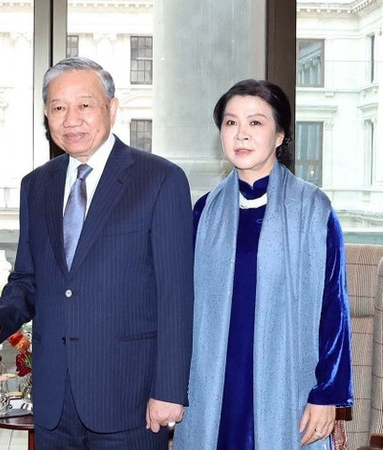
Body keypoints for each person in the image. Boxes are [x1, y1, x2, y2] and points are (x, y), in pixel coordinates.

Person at [0, 56, 195, 449]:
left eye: (84, 105)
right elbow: (27, 281)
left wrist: (170, 389)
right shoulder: (36, 185)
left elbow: (176, 294)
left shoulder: (159, 179)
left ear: (112, 108)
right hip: (54, 403)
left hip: (131, 400)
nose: (71, 119)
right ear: (46, 116)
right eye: (58, 108)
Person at [172, 79, 353, 449]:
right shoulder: (205, 211)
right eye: (231, 122)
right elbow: (182, 306)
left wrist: (327, 394)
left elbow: (333, 308)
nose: (241, 134)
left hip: (287, 382)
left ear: (280, 135)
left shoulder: (313, 210)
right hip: (216, 383)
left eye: (255, 122)